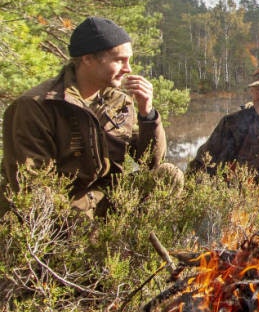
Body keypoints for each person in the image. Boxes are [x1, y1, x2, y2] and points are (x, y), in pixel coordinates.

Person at [1, 17, 180, 219]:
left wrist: (147, 114)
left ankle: (128, 244)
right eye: (120, 60)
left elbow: (151, 163)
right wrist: (79, 222)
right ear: (87, 59)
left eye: (129, 60)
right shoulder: (35, 106)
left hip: (103, 201)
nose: (128, 68)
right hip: (59, 210)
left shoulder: (119, 103)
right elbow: (31, 186)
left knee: (168, 175)